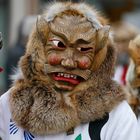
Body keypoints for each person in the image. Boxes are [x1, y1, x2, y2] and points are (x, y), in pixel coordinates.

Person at [0, 1, 138, 140]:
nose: (68, 62)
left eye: (83, 50)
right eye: (58, 45)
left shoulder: (116, 115)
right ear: (40, 48)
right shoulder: (8, 105)